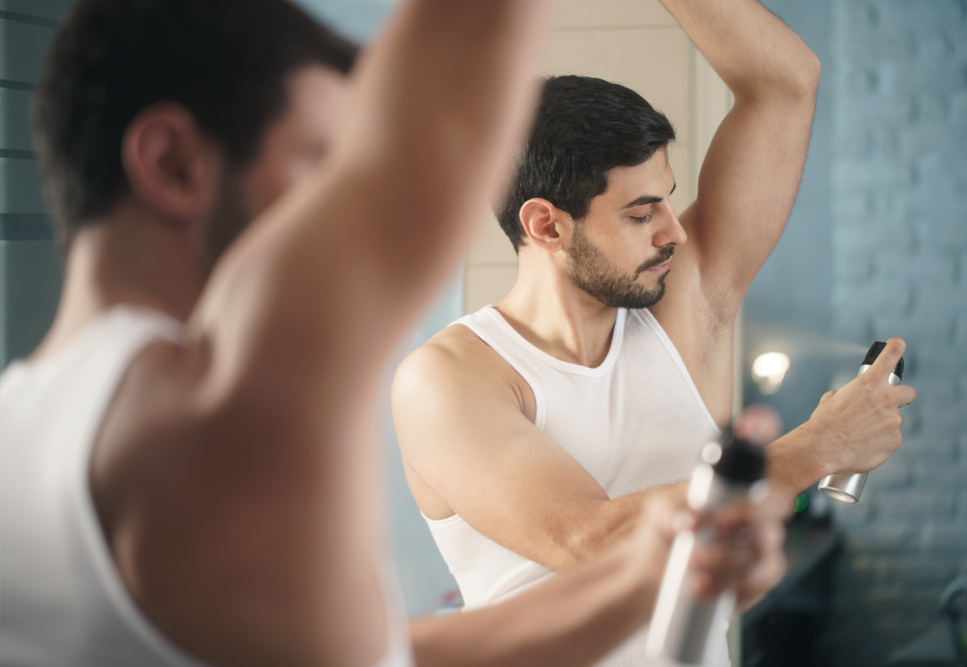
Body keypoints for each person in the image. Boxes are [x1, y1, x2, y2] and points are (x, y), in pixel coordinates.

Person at [0, 1, 787, 667]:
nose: (335, 200)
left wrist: (652, 566)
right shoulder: (203, 419)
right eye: (317, 162)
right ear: (172, 165)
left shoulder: (24, 428)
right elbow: (443, 102)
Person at [391, 0, 917, 664]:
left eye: (667, 197)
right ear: (547, 226)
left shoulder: (687, 302)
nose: (674, 230)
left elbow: (786, 83)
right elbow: (590, 539)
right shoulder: (449, 376)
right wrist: (817, 447)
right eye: (642, 213)